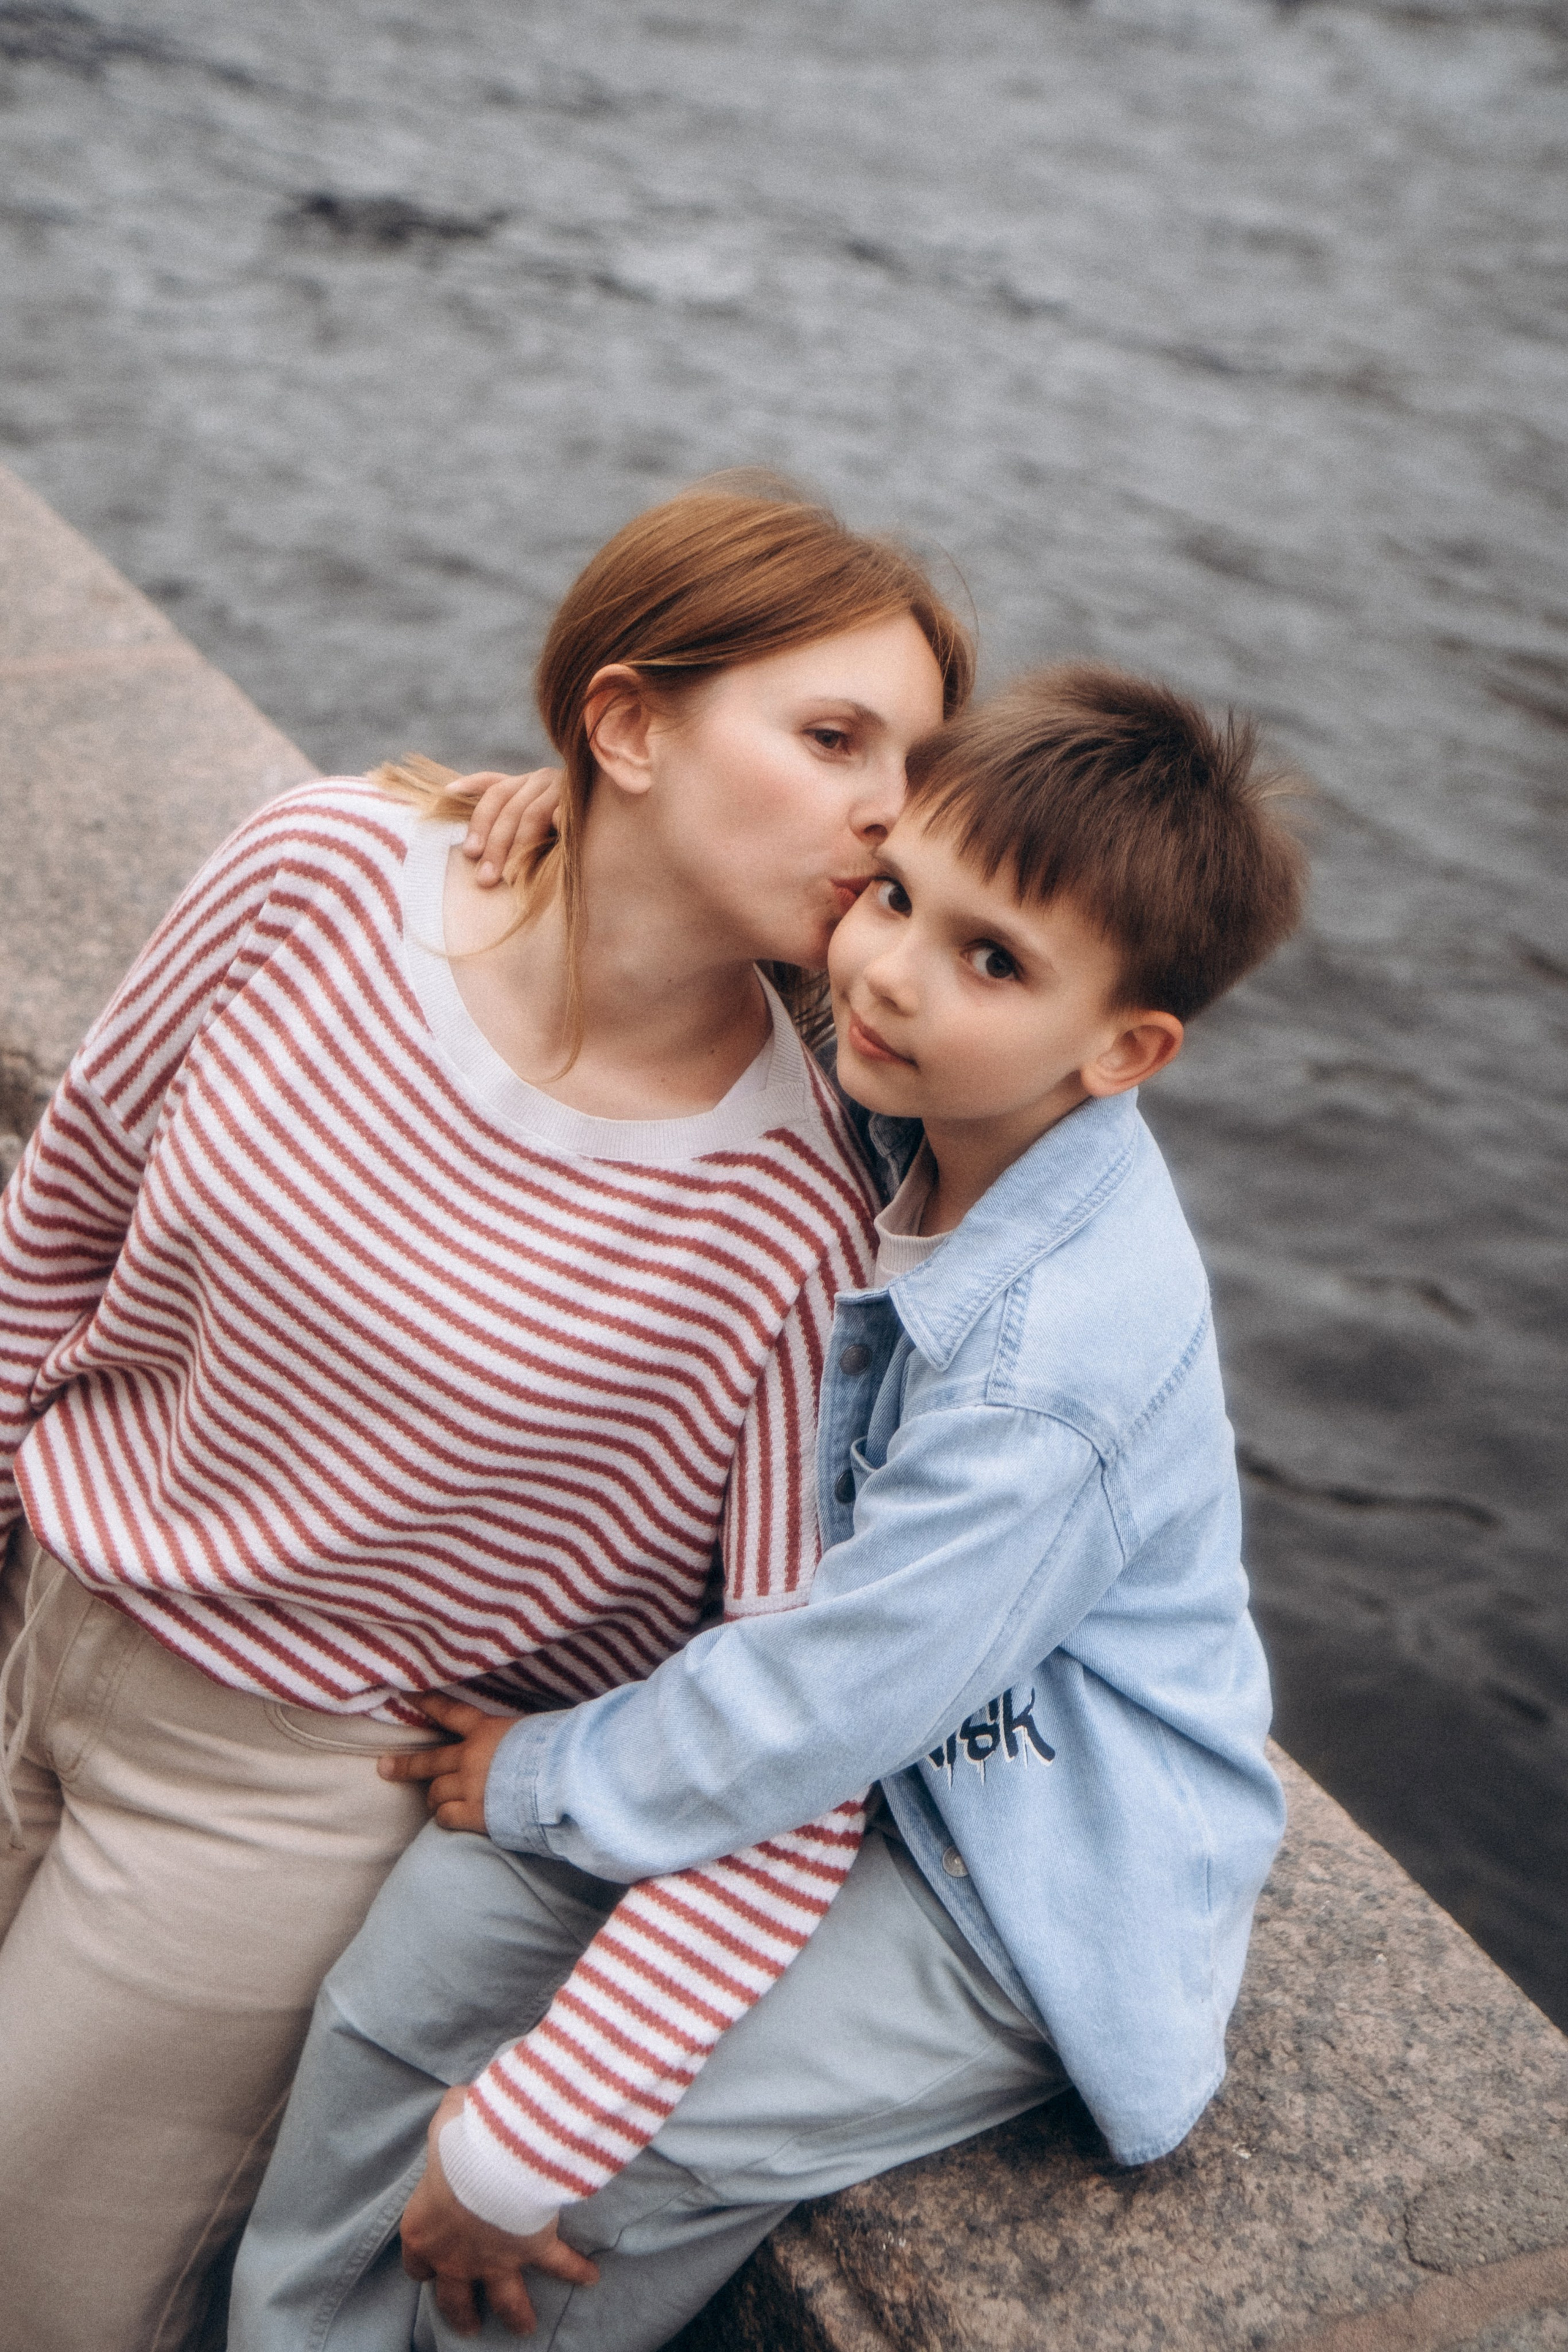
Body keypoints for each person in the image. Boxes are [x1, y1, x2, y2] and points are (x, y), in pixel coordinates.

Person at [229, 661, 1307, 2350]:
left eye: (989, 960)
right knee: (418, 1958)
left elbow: (822, 1712)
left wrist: (547, 1775)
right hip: (841, 1741)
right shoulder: (926, 1084)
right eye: (894, 895)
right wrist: (565, 808)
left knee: (592, 2172)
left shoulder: (1050, 1377)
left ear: (1127, 1049)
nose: (886, 971)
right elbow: (697, 876)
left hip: (1010, 1866)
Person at [0, 480, 972, 2352]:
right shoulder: (320, 870)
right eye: (834, 735)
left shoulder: (792, 1217)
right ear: (624, 723)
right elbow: (73, 1196)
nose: (890, 810)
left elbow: (792, 1717)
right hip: (41, 1605)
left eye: (917, 765)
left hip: (272, 1807)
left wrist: (549, 2127)